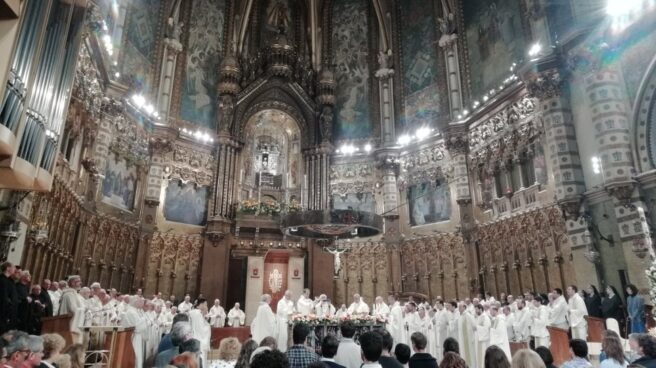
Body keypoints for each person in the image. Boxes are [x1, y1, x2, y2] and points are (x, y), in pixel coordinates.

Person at [58, 275, 85, 343]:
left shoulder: (74, 293)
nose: (80, 283)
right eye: (78, 281)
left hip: (73, 322)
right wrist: (84, 310)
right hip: (70, 323)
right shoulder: (69, 294)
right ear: (73, 283)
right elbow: (73, 309)